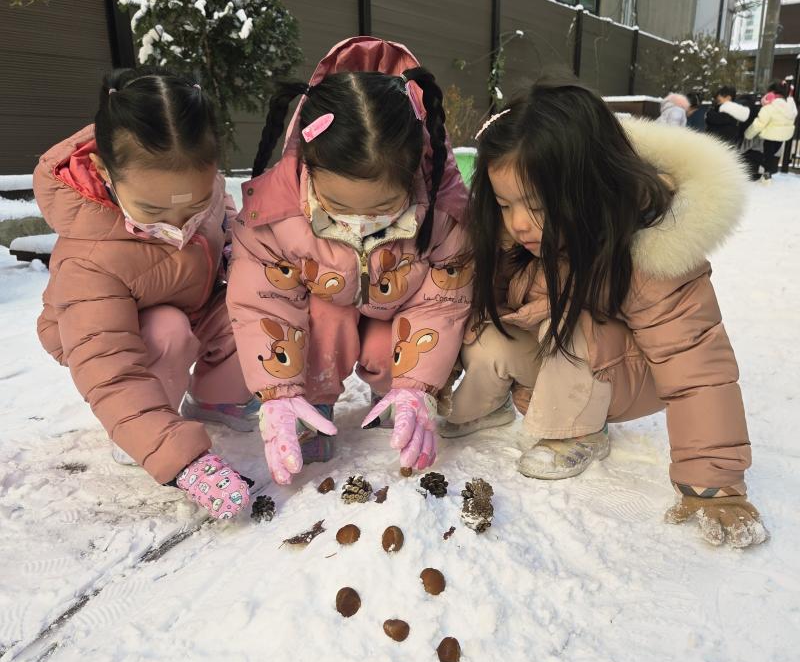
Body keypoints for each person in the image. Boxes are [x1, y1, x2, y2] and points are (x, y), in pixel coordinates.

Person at [440, 78, 767, 548]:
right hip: (563, 361)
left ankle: (579, 432)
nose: (518, 222)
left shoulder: (650, 251)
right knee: (487, 331)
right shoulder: (516, 236)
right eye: (505, 203)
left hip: (630, 373)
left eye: (537, 206)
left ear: (590, 188)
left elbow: (695, 366)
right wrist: (427, 381)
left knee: (571, 321)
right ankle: (485, 406)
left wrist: (713, 483)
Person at [227, 37, 472, 485]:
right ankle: (311, 404)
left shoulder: (442, 213)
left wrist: (417, 386)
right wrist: (278, 390)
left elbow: (441, 301)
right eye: (338, 205)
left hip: (395, 310)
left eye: (382, 207)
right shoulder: (275, 214)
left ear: (413, 175)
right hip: (323, 311)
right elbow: (263, 302)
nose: (359, 222)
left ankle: (395, 398)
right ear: (307, 165)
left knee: (388, 347)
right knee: (326, 320)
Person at [34, 67, 257, 520]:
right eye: (154, 210)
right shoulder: (89, 258)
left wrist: (238, 246)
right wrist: (180, 458)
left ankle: (214, 398)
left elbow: (223, 213)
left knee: (253, 304)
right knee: (166, 330)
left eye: (193, 205)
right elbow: (109, 369)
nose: (178, 224)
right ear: (104, 172)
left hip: (192, 300)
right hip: (112, 337)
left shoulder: (202, 188)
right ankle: (144, 431)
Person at [745, 81, 798, 181]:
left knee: (760, 154)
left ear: (771, 93)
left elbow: (758, 124)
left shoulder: (770, 107)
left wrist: (748, 134)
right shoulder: (789, 106)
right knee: (770, 155)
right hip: (783, 137)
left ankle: (768, 173)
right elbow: (793, 114)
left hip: (770, 136)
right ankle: (768, 172)